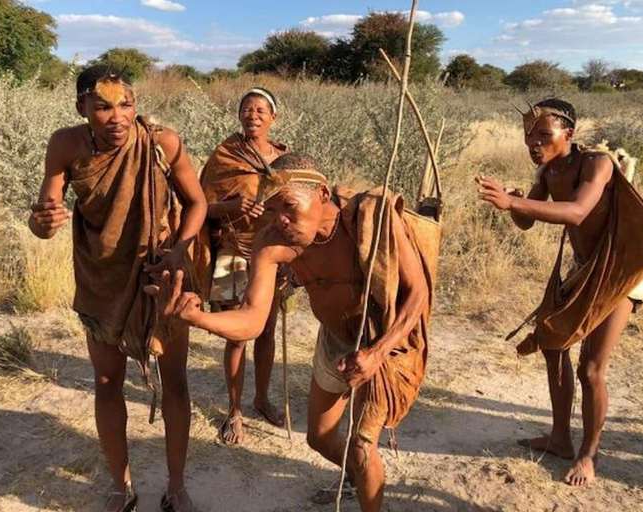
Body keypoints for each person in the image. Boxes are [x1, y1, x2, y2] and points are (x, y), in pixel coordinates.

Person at [146, 153, 434, 511]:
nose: (281, 220)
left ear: (323, 195)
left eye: (289, 207)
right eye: (273, 209)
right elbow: (252, 320)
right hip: (335, 342)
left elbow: (418, 292)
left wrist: (377, 353)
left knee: (361, 445)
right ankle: (357, 479)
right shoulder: (272, 243)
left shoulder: (369, 218)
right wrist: (197, 318)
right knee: (319, 438)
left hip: (382, 339)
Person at [28, 65, 207, 512]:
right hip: (100, 280)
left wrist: (180, 250)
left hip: (159, 278)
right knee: (107, 382)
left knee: (176, 386)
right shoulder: (65, 145)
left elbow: (197, 201)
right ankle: (120, 485)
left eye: (125, 104)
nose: (117, 116)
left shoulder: (162, 142)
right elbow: (44, 216)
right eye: (103, 106)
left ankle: (177, 487)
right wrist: (42, 223)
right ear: (81, 108)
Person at [476, 99, 643, 487]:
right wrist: (512, 202)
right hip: (584, 268)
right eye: (529, 137)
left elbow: (577, 212)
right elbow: (527, 221)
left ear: (568, 134)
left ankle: (588, 454)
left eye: (543, 135)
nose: (534, 144)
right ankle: (559, 439)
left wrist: (515, 202)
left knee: (591, 369)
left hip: (620, 270)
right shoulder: (547, 170)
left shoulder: (597, 164)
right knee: (553, 347)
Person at [199, 87, 288, 445]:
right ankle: (234, 410)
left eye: (261, 110)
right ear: (239, 115)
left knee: (265, 331)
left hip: (271, 256)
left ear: (273, 118)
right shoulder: (225, 156)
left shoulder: (284, 161)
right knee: (237, 334)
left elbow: (296, 207)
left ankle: (261, 399)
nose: (253, 115)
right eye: (247, 109)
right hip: (234, 251)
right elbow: (201, 206)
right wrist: (232, 207)